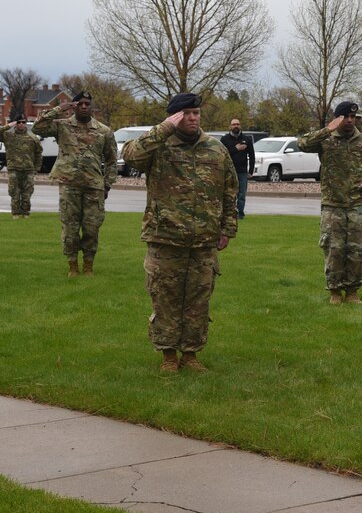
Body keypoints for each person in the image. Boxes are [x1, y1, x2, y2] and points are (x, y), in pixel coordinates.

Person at [121, 93, 238, 372]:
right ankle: (169, 356)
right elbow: (131, 156)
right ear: (174, 116)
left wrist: (227, 228)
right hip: (166, 239)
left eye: (196, 113)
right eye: (186, 113)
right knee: (166, 297)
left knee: (198, 300)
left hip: (203, 241)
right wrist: (163, 129)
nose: (193, 118)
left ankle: (191, 354)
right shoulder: (158, 145)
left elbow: (230, 190)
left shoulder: (215, 148)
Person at [298, 101, 362, 305]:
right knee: (333, 249)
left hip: (357, 205)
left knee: (357, 251)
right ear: (337, 119)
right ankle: (335, 292)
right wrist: (327, 129)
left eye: (353, 117)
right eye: (346, 117)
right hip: (332, 204)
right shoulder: (325, 140)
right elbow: (302, 143)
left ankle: (352, 292)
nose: (350, 121)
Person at [33, 91, 117, 276]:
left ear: (91, 106)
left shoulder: (104, 131)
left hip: (93, 186)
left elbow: (111, 161)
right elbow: (37, 128)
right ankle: (72, 265)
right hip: (69, 184)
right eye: (80, 103)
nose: (84, 106)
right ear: (74, 106)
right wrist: (57, 109)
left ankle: (88, 265)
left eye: (87, 103)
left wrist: (107, 185)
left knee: (92, 228)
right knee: (70, 227)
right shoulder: (62, 126)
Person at [1, 115, 43, 218]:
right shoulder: (8, 136)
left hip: (28, 169)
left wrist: (36, 168)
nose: (21, 124)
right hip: (14, 169)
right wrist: (8, 125)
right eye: (19, 122)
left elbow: (39, 154)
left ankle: (25, 213)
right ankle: (16, 214)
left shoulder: (33, 138)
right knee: (14, 193)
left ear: (26, 124)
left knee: (27, 193)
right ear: (15, 124)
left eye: (23, 122)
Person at [220, 118, 255, 219]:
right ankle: (229, 214)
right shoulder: (224, 139)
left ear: (240, 126)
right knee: (229, 194)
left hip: (242, 172)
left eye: (238, 124)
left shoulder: (246, 139)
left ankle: (240, 214)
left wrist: (251, 171)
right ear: (230, 126)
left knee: (241, 195)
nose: (236, 126)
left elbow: (252, 156)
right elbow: (222, 154)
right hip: (229, 172)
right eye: (234, 124)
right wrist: (236, 149)